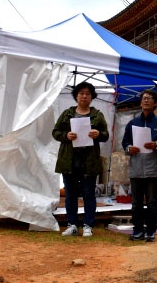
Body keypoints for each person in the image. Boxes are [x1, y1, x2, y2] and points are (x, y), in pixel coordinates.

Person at [52, 81, 109, 237]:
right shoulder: (67, 113)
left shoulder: (97, 115)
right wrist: (66, 136)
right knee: (70, 194)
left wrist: (99, 134)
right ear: (76, 96)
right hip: (69, 160)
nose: (84, 96)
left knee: (88, 194)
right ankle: (72, 225)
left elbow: (106, 135)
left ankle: (88, 225)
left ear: (92, 97)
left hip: (89, 160)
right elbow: (55, 132)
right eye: (81, 93)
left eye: (88, 94)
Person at [122, 89, 157, 242]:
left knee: (151, 202)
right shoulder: (132, 123)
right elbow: (125, 142)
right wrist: (129, 148)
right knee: (136, 202)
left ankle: (151, 231)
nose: (146, 100)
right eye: (144, 98)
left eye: (150, 98)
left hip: (152, 168)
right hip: (136, 168)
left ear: (155, 103)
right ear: (140, 102)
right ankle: (137, 230)